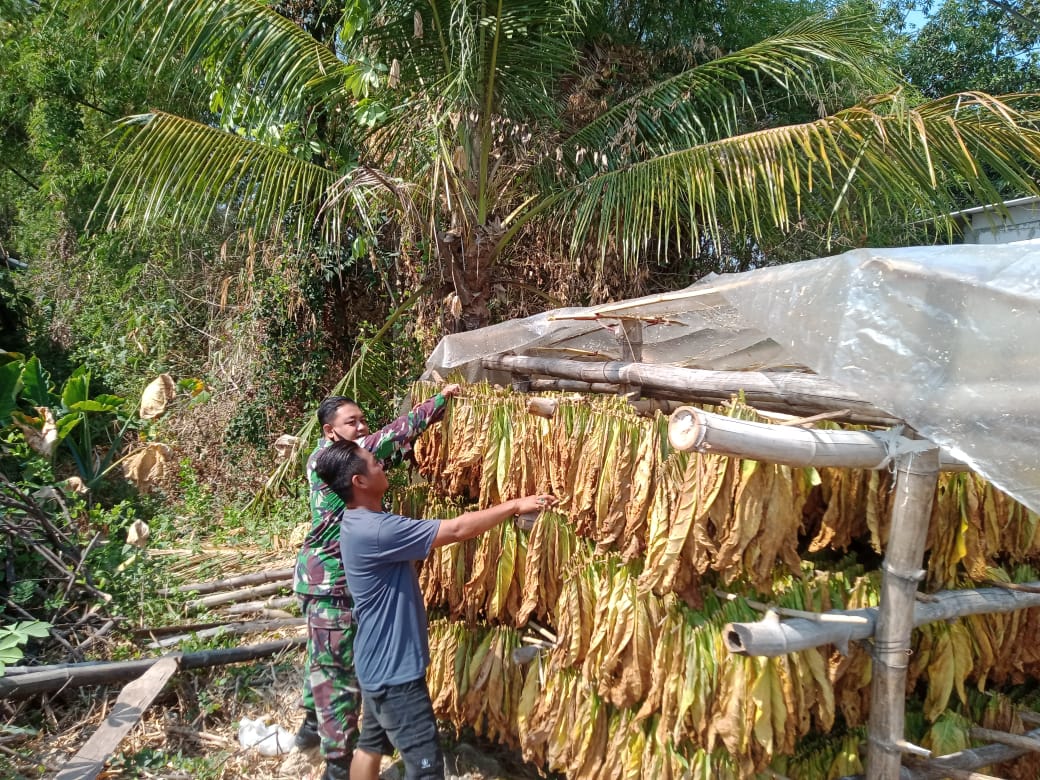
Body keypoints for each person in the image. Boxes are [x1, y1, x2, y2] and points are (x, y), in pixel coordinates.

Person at [313, 438, 556, 780]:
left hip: (372, 663)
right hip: (395, 674)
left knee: (370, 746)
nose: (382, 464)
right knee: (426, 767)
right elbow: (457, 529)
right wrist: (515, 505)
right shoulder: (377, 531)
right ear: (359, 482)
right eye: (374, 462)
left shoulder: (358, 522)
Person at [293, 385, 460, 780]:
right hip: (329, 585)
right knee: (336, 676)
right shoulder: (331, 463)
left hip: (333, 582)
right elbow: (390, 437)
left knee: (325, 661)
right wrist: (438, 401)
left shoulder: (330, 456)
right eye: (353, 422)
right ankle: (334, 766)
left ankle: (311, 729)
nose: (362, 428)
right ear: (330, 431)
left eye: (363, 419)